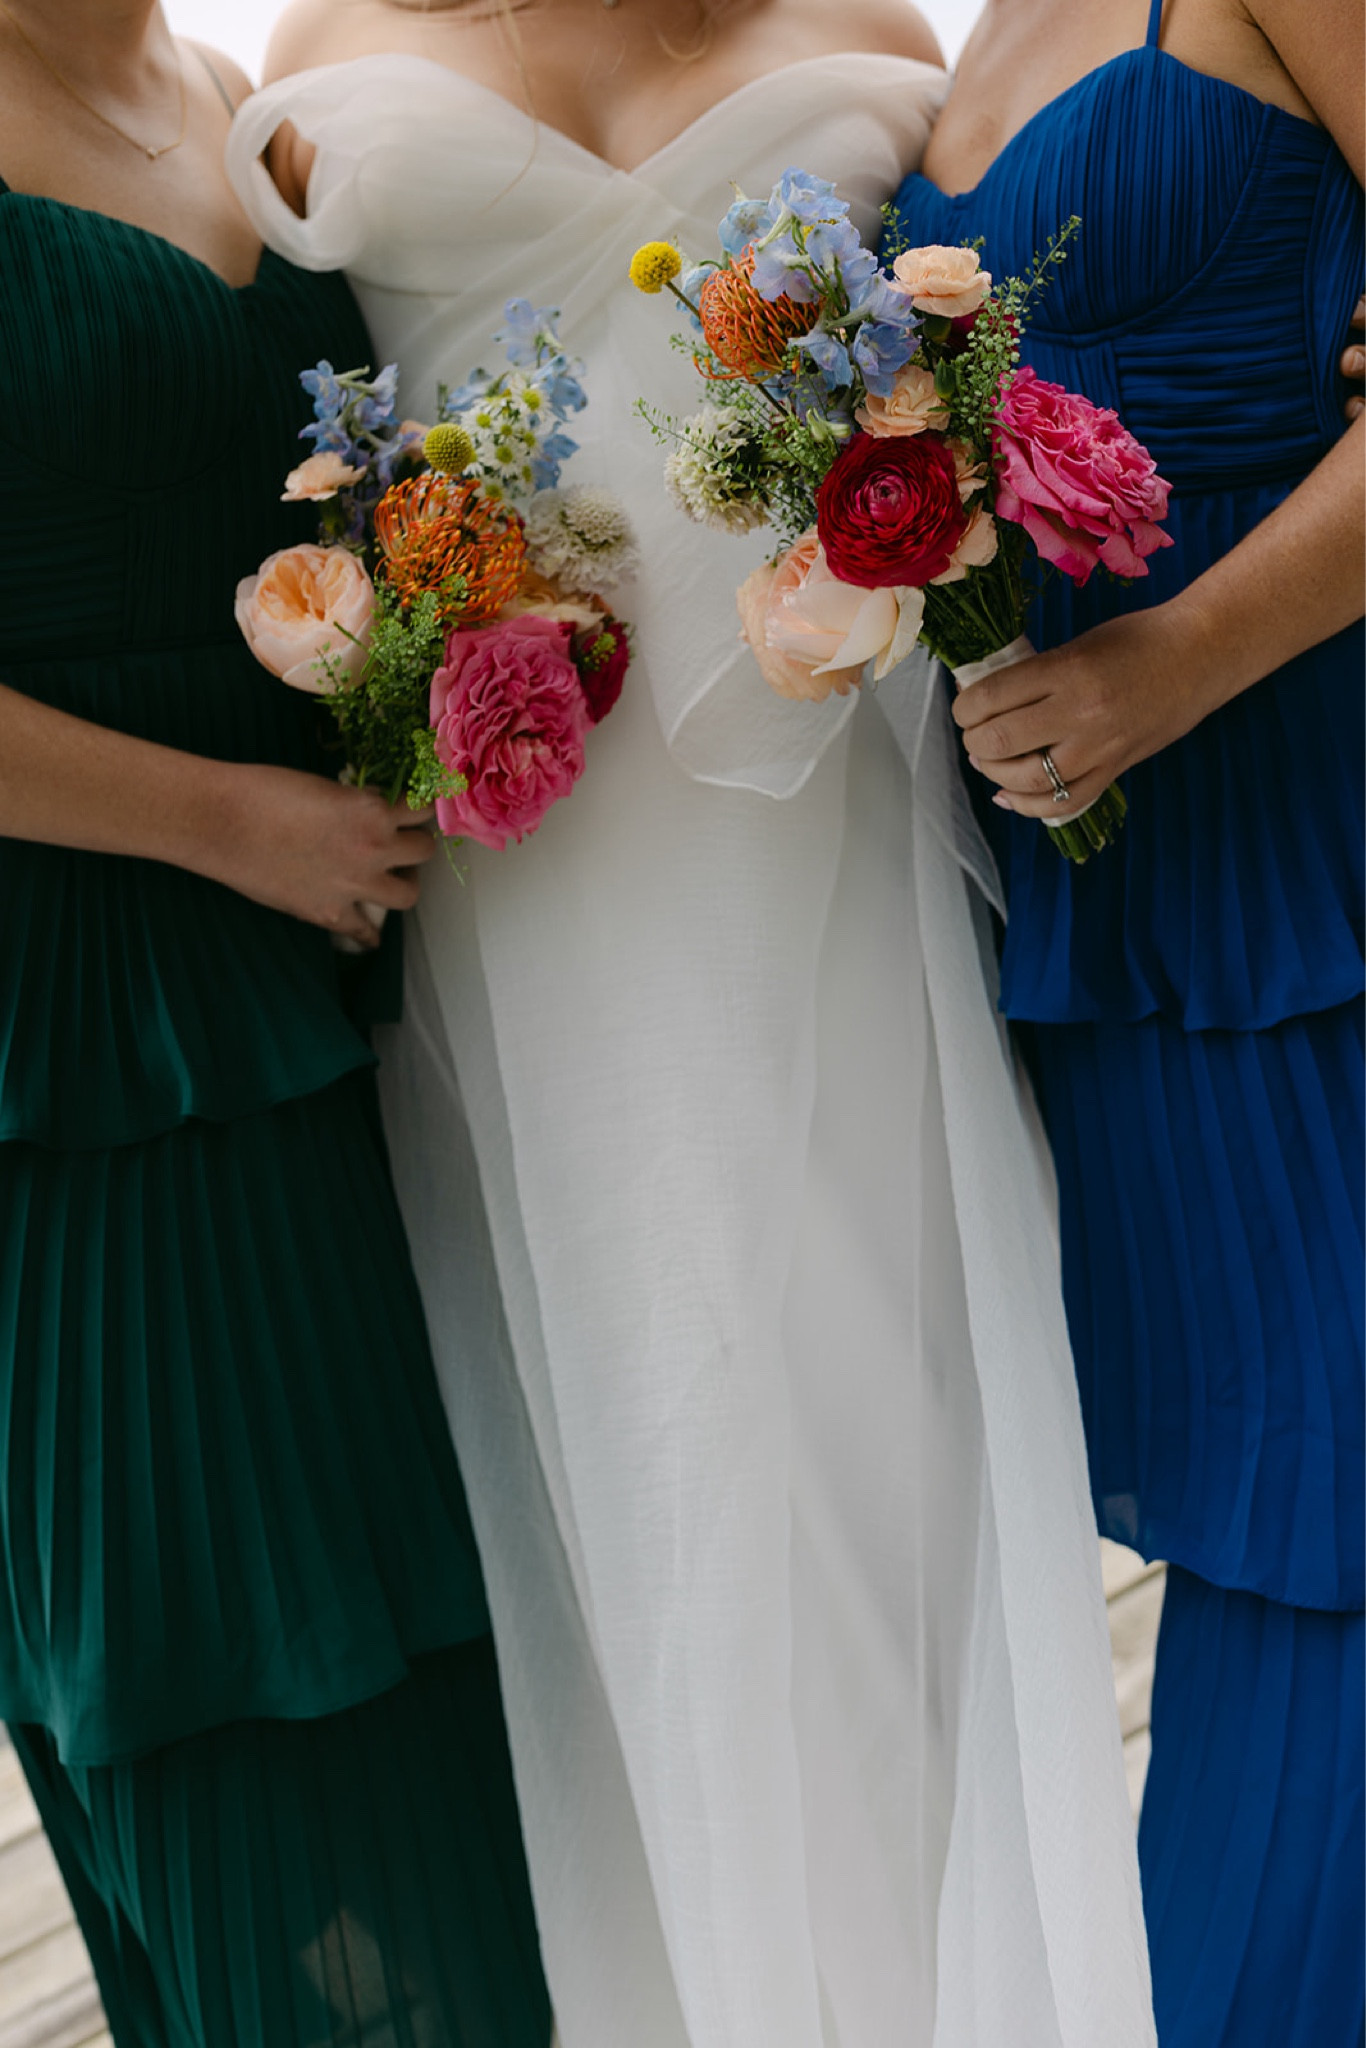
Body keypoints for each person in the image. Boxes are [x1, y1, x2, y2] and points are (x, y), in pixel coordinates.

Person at [230, 6, 1157, 2046]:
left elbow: (1052, 257)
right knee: (638, 1479)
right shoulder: (326, 34)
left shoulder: (855, 26)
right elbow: (184, 373)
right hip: (529, 873)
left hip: (832, 853)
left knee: (873, 1468)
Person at [0, 3, 551, 2042]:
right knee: (232, 1681)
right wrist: (225, 821)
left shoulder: (223, 99)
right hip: (98, 1045)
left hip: (334, 996)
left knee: (426, 1654)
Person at [889, 0, 1364, 2041]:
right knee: (1256, 1521)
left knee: (1330, 1522)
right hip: (1107, 917)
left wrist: (1166, 665)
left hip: (1307, 843)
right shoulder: (965, 36)